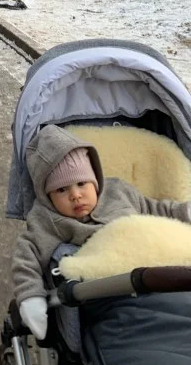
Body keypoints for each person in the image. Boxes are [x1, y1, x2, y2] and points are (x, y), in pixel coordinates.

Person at [12, 124, 191, 343]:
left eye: (81, 183)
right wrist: (30, 295)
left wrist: (185, 211)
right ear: (46, 195)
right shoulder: (48, 219)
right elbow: (27, 254)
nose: (75, 195)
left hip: (157, 270)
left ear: (94, 179)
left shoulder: (118, 192)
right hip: (108, 291)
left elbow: (157, 209)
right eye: (61, 190)